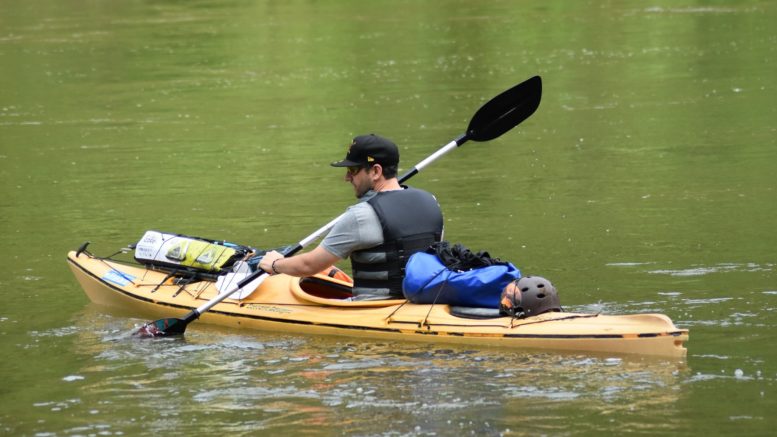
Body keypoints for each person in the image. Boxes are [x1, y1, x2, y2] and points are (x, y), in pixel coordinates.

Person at [259, 134, 444, 299]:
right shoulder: (431, 201)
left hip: (374, 311)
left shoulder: (361, 215)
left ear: (376, 171)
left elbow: (310, 265)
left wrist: (275, 264)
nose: (347, 178)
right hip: (424, 302)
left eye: (353, 170)